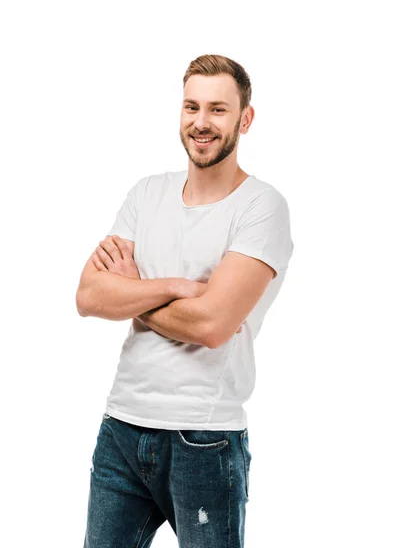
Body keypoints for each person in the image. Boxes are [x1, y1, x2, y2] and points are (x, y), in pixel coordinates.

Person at [76, 54, 294, 547]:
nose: (201, 122)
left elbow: (213, 324)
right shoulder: (146, 193)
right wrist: (176, 287)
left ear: (245, 118)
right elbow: (88, 296)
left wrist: (130, 293)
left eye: (217, 109)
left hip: (204, 436)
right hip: (121, 428)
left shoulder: (262, 206)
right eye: (191, 106)